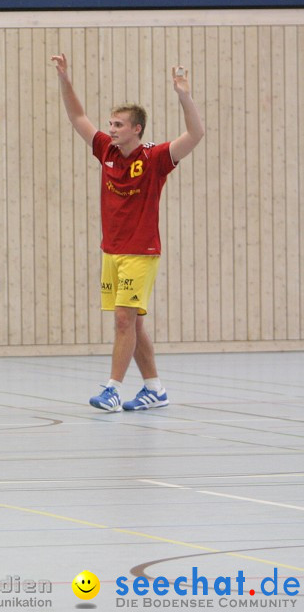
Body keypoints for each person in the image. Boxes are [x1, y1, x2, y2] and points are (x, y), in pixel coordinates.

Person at [52, 54, 206, 412]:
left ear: (137, 128)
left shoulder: (156, 158)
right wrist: (64, 79)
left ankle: (113, 389)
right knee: (132, 324)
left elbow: (196, 134)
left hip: (141, 250)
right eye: (111, 123)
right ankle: (155, 389)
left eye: (119, 124)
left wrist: (184, 95)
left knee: (123, 319)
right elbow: (77, 117)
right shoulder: (106, 150)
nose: (112, 128)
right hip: (112, 251)